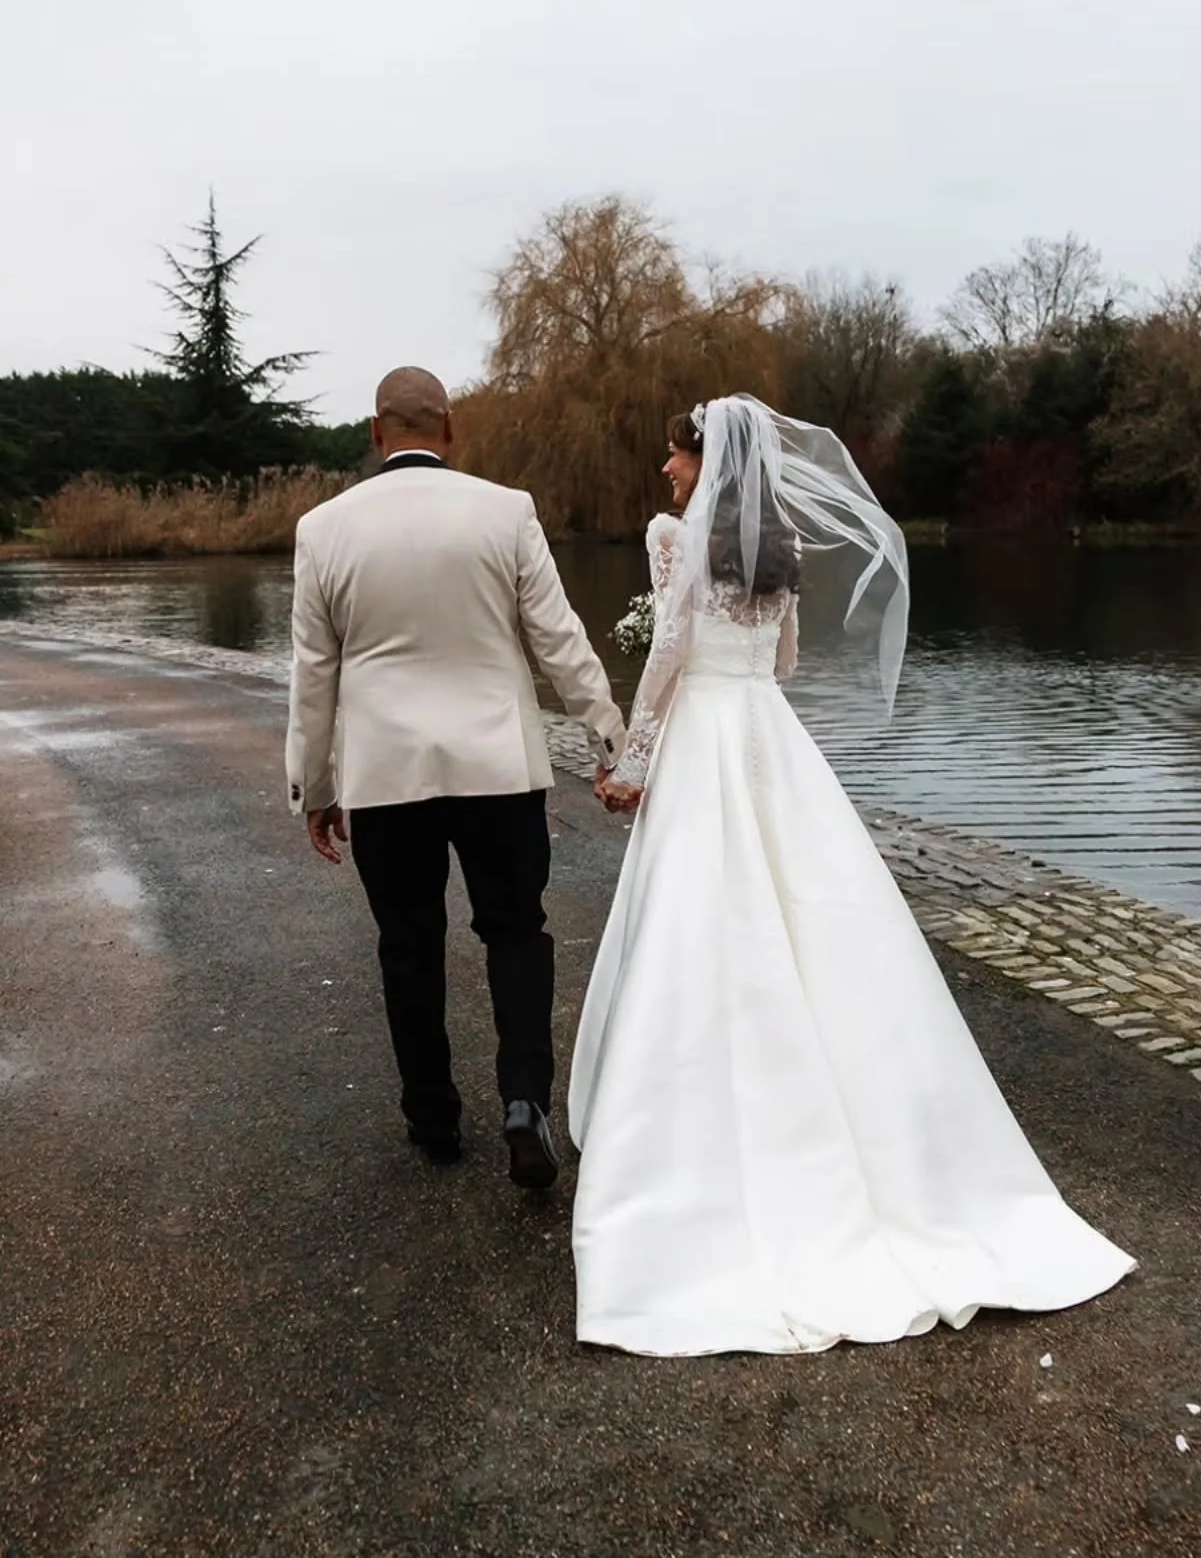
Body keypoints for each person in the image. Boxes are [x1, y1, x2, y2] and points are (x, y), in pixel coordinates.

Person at [571, 395, 1134, 1356]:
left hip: (708, 731)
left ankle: (685, 1153)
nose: (667, 472)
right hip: (766, 731)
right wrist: (739, 662)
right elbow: (783, 660)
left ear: (702, 461)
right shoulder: (780, 546)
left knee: (700, 920)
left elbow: (668, 650)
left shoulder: (675, 536)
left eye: (674, 455)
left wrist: (633, 758)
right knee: (812, 916)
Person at [286, 367, 626, 1180]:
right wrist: (611, 735)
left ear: (376, 433)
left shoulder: (324, 529)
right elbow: (558, 639)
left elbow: (312, 676)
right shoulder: (505, 512)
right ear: (452, 427)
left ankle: (433, 1119)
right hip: (498, 769)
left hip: (386, 775)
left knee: (408, 943)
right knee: (516, 929)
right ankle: (523, 1099)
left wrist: (315, 789)